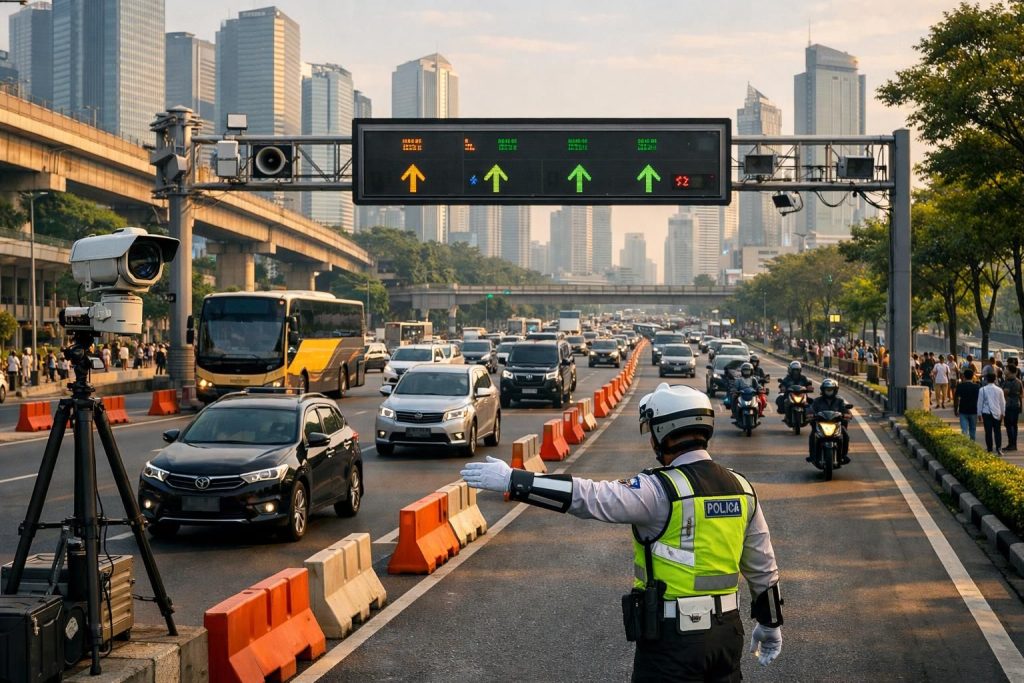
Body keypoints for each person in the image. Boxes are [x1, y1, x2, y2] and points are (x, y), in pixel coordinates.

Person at [461, 384, 784, 680]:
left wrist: (516, 480)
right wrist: (770, 625)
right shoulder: (742, 487)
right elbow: (762, 566)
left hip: (674, 641)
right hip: (727, 636)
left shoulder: (660, 490)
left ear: (662, 432)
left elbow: (590, 497)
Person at [808, 378, 852, 465]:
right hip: (820, 425)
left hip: (836, 425)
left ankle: (844, 455)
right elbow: (810, 409)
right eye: (827, 389)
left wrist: (847, 415)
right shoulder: (817, 401)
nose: (829, 391)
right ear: (823, 390)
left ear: (835, 390)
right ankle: (812, 456)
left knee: (845, 435)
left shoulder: (840, 401)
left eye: (831, 389)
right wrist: (810, 414)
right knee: (812, 436)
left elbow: (846, 411)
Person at [978, 372, 1006, 455]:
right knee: (997, 431)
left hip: (986, 413)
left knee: (988, 432)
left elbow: (980, 403)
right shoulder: (999, 390)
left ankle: (989, 448)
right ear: (995, 379)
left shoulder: (982, 389)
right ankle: (999, 448)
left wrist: (979, 414)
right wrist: (1003, 413)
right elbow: (1002, 402)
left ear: (986, 379)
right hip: (997, 412)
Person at [953, 367, 980, 440]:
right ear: (972, 376)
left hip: (963, 410)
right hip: (974, 410)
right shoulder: (977, 386)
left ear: (964, 376)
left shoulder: (960, 386)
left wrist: (955, 409)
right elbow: (979, 400)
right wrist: (980, 412)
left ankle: (966, 444)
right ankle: (972, 443)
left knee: (964, 430)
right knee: (973, 429)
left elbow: (956, 398)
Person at [1003, 365, 1022, 452]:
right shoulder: (1019, 381)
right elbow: (1021, 394)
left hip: (1009, 405)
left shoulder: (1009, 381)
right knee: (1014, 425)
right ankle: (1013, 444)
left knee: (1009, 425)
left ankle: (1011, 444)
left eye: (1006, 369)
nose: (1005, 371)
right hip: (1016, 404)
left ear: (1010, 371)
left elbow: (1005, 392)